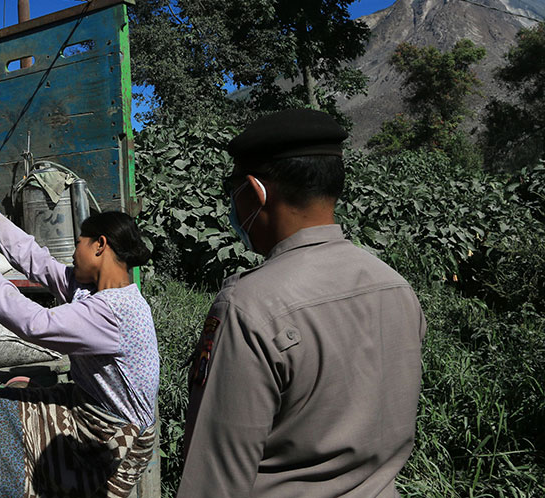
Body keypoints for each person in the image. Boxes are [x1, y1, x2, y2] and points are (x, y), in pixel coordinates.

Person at [177, 108, 426, 497]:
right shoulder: (395, 287)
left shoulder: (249, 307)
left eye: (234, 195)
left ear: (256, 192)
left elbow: (215, 481)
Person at [0, 203, 159, 498]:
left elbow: (38, 324)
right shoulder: (95, 290)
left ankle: (34, 474)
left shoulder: (114, 311)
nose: (74, 254)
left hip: (109, 438)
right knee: (0, 402)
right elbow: (39, 261)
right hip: (86, 405)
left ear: (100, 245)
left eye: (78, 244)